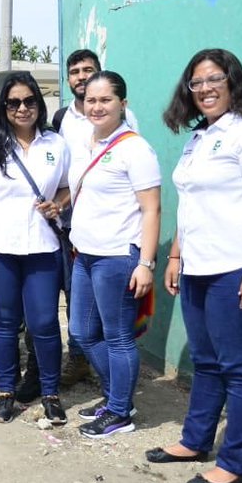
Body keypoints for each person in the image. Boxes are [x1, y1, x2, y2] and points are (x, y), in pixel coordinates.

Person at [147, 48, 242, 483]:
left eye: (214, 79)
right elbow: (192, 205)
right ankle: (195, 442)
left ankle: (235, 464)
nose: (205, 88)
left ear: (233, 82)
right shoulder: (199, 139)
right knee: (206, 363)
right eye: (197, 82)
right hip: (200, 268)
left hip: (240, 268)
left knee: (241, 369)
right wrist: (176, 257)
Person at [0, 72, 71, 425]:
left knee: (44, 322)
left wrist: (58, 204)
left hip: (42, 248)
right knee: (6, 323)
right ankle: (7, 390)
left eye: (29, 101)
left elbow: (69, 187)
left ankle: (51, 393)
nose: (22, 108)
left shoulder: (56, 145)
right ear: (4, 107)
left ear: (39, 104)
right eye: (14, 102)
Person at [65, 72, 161, 439]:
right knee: (82, 332)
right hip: (85, 255)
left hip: (118, 256)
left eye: (106, 100)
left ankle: (120, 410)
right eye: (91, 100)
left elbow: (152, 210)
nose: (97, 106)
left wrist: (146, 263)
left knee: (118, 336)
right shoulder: (87, 143)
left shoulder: (135, 149)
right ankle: (116, 397)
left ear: (123, 103)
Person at [52, 49, 139, 387]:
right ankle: (82, 361)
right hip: (69, 224)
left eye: (88, 69)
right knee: (78, 305)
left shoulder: (125, 128)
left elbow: (140, 189)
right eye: (74, 71)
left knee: (111, 315)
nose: (80, 76)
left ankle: (116, 381)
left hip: (112, 231)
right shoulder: (62, 119)